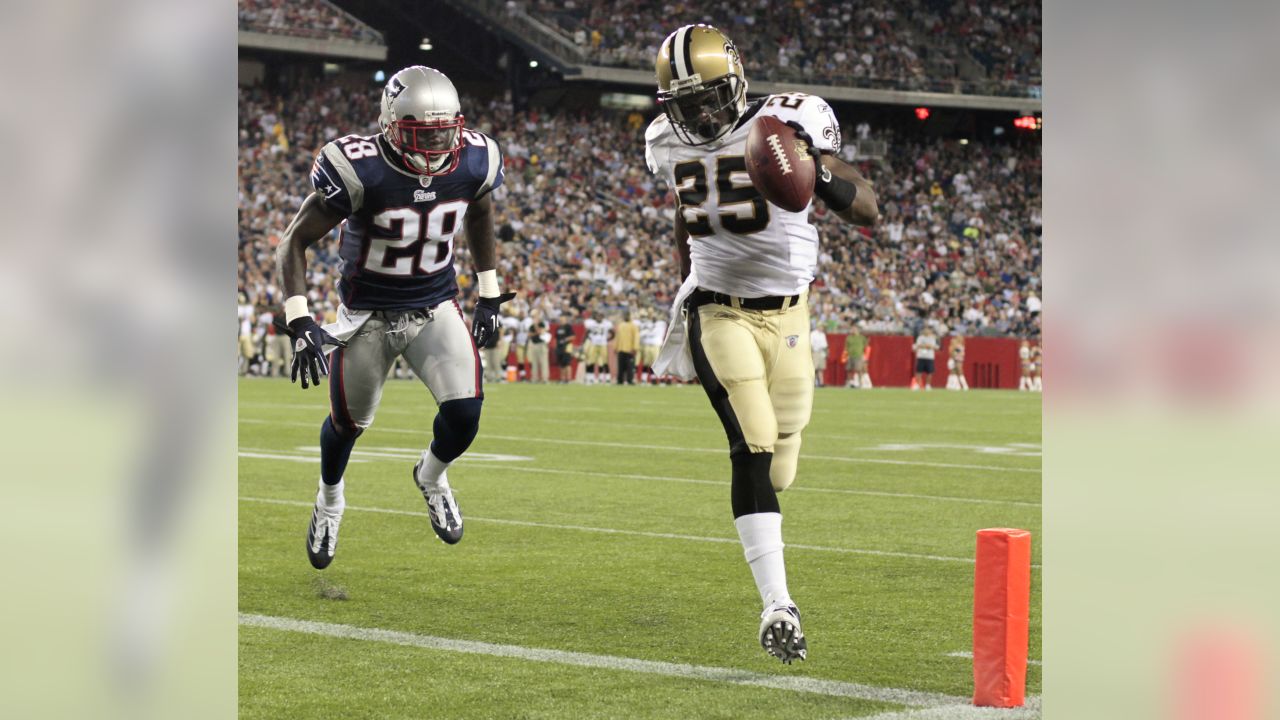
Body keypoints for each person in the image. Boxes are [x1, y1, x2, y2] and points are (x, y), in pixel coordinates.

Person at [646, 24, 878, 664]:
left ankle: (768, 546)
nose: (699, 113)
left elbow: (868, 209)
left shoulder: (792, 116)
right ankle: (779, 605)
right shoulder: (664, 141)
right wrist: (689, 276)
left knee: (780, 463)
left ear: (738, 78)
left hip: (790, 314)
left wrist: (809, 170)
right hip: (718, 311)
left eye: (709, 97)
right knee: (750, 445)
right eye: (685, 103)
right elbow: (682, 209)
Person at [275, 66, 515, 570]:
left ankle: (431, 475)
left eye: (443, 133)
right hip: (367, 315)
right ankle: (329, 500)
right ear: (389, 125)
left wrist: (487, 293)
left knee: (466, 415)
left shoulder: (473, 157)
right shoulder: (360, 168)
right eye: (420, 136)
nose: (435, 147)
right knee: (346, 425)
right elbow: (293, 240)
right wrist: (300, 322)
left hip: (434, 305)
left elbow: (480, 209)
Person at [582, 306, 613, 384]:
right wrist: (588, 339)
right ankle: (590, 378)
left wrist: (608, 339)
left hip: (603, 344)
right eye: (598, 315)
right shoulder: (591, 323)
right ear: (595, 316)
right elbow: (587, 333)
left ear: (603, 316)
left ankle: (607, 379)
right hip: (593, 344)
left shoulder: (606, 323)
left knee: (604, 361)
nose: (599, 317)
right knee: (590, 361)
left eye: (601, 315)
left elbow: (613, 333)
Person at [614, 310, 640, 384]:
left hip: (630, 349)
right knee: (620, 366)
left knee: (630, 366)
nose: (626, 317)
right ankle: (620, 380)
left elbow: (636, 337)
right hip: (621, 349)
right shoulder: (620, 325)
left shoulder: (633, 326)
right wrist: (616, 347)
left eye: (627, 315)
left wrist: (635, 348)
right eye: (625, 315)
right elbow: (617, 337)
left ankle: (630, 380)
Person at [526, 312, 550, 383]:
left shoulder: (541, 324)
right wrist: (534, 333)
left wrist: (536, 326)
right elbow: (529, 335)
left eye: (535, 317)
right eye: (534, 317)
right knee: (534, 363)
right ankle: (534, 378)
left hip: (541, 344)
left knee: (543, 362)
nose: (534, 319)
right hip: (534, 344)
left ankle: (545, 379)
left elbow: (540, 332)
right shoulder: (531, 326)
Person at [553, 313, 577, 383]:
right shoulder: (558, 328)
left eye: (562, 320)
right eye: (560, 320)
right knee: (561, 364)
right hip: (559, 347)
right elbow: (556, 337)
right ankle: (562, 379)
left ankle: (568, 379)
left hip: (567, 347)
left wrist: (565, 339)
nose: (561, 321)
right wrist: (555, 346)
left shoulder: (568, 327)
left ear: (566, 320)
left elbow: (573, 336)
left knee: (567, 364)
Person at [913, 326, 938, 390]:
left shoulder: (932, 338)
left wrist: (924, 346)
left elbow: (932, 346)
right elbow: (918, 345)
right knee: (919, 371)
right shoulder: (920, 338)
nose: (926, 331)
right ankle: (917, 385)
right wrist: (926, 346)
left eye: (928, 330)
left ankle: (928, 385)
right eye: (925, 330)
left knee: (929, 372)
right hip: (921, 356)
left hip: (929, 357)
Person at [844, 321, 868, 388]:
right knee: (849, 370)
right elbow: (846, 347)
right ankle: (849, 383)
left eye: (855, 329)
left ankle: (860, 383)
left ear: (858, 330)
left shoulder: (862, 337)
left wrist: (864, 356)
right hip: (850, 355)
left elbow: (866, 347)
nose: (853, 330)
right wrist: (846, 356)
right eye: (852, 329)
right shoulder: (849, 338)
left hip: (859, 355)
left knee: (859, 370)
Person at [809, 321, 828, 387]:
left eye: (822, 327)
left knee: (820, 369)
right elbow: (811, 344)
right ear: (818, 326)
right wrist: (813, 352)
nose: (822, 328)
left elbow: (825, 345)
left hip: (821, 352)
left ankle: (821, 383)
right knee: (814, 368)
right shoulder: (813, 334)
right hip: (815, 352)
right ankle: (813, 383)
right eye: (821, 326)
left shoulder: (823, 334)